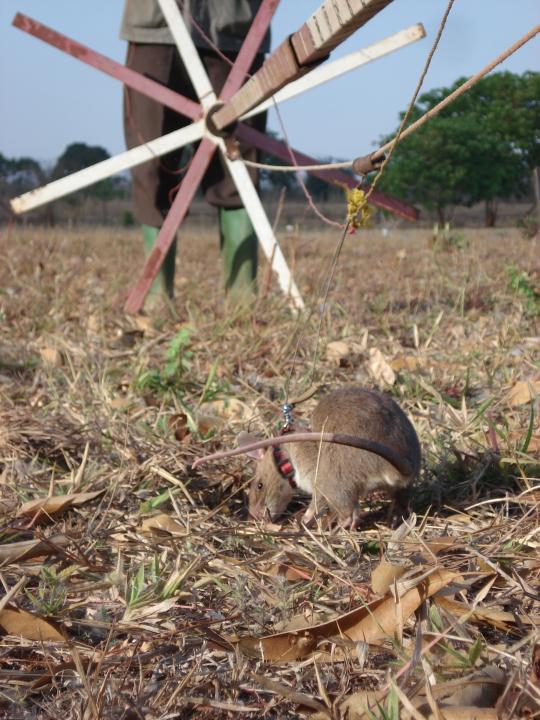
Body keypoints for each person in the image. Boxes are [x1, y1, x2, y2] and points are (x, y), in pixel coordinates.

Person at [120, 0, 270, 310]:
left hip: (234, 29)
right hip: (154, 28)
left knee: (238, 168)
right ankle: (158, 296)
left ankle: (242, 299)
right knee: (151, 165)